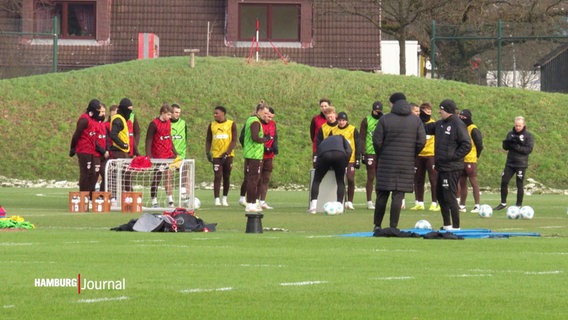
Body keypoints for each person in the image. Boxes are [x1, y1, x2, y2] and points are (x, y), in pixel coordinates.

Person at [372, 97, 425, 231]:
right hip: (406, 162)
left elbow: (377, 140)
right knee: (398, 194)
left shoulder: (385, 119)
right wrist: (412, 154)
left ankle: (377, 225)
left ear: (392, 103)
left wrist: (382, 153)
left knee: (382, 194)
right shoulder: (416, 120)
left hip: (386, 162)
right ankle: (393, 226)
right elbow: (422, 141)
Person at [424, 99, 472, 230]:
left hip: (452, 167)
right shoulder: (440, 124)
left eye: (441, 109)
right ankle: (447, 224)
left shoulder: (458, 124)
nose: (439, 112)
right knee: (440, 195)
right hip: (442, 167)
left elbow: (467, 144)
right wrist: (416, 119)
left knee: (449, 196)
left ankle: (456, 227)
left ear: (447, 110)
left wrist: (452, 156)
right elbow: (425, 128)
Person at [494, 116, 534, 210]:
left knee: (519, 184)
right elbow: (505, 147)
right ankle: (503, 203)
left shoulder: (528, 136)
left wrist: (517, 146)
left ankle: (518, 205)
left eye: (519, 126)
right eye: (516, 125)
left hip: (521, 164)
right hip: (510, 163)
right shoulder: (510, 134)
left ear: (524, 125)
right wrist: (507, 143)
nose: (517, 127)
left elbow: (528, 149)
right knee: (504, 181)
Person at [240, 102, 272, 212]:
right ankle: (251, 203)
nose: (266, 115)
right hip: (254, 155)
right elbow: (255, 138)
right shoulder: (255, 122)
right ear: (259, 111)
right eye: (265, 112)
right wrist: (265, 139)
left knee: (251, 179)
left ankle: (251, 203)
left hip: (250, 154)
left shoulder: (251, 119)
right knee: (253, 179)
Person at [308, 135, 352, 214]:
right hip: (340, 155)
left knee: (317, 180)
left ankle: (313, 207)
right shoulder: (342, 137)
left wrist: (318, 167)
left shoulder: (324, 141)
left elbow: (317, 154)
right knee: (340, 181)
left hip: (325, 155)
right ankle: (339, 207)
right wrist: (345, 164)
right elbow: (349, 150)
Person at [69, 99, 105, 195]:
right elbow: (76, 134)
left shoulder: (92, 120)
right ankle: (83, 195)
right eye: (98, 110)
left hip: (91, 150)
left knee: (93, 174)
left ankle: (90, 194)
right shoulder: (84, 120)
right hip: (83, 150)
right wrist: (73, 148)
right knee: (85, 172)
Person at [145, 104, 177, 208]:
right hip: (158, 156)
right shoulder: (154, 124)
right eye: (168, 114)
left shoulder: (168, 122)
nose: (170, 117)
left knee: (169, 176)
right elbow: (148, 140)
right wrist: (149, 156)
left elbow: (169, 137)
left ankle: (170, 200)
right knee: (157, 177)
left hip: (169, 154)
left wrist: (175, 152)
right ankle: (154, 200)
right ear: (162, 113)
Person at [205, 106, 237, 207]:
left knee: (226, 176)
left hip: (228, 155)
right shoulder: (212, 125)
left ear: (223, 113)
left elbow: (234, 141)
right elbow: (208, 139)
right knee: (217, 176)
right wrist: (207, 152)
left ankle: (224, 198)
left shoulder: (231, 124)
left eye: (216, 113)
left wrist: (227, 152)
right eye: (214, 113)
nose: (214, 115)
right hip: (217, 155)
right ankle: (216, 199)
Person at [410, 102, 439, 212]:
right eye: (427, 112)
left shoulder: (433, 124)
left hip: (430, 155)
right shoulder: (417, 124)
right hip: (419, 155)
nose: (429, 114)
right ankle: (419, 202)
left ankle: (434, 203)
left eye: (430, 112)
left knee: (433, 179)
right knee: (418, 179)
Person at [334, 111, 361, 210]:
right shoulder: (334, 130)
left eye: (343, 120)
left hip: (350, 159)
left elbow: (358, 144)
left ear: (346, 121)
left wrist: (357, 158)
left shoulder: (352, 129)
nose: (341, 122)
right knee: (340, 180)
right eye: (340, 120)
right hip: (338, 160)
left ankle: (350, 201)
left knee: (350, 179)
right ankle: (340, 201)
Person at [458, 109, 484, 213]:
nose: (461, 119)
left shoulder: (473, 129)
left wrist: (476, 156)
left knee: (473, 181)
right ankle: (462, 205)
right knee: (462, 182)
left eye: (463, 117)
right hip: (461, 159)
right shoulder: (461, 128)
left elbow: (479, 145)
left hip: (470, 159)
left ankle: (477, 205)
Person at [359, 101, 383, 210]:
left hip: (381, 152)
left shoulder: (384, 120)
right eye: (376, 111)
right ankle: (369, 201)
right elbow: (362, 137)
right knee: (371, 176)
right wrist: (363, 153)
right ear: (372, 110)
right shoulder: (366, 120)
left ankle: (380, 201)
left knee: (381, 177)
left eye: (379, 111)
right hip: (370, 152)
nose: (377, 113)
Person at [258, 107, 278, 210]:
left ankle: (262, 201)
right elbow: (255, 138)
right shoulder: (258, 124)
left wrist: (274, 148)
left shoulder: (273, 124)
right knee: (257, 178)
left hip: (269, 155)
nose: (269, 119)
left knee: (266, 178)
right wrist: (264, 147)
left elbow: (274, 136)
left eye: (271, 117)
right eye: (268, 116)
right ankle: (254, 201)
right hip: (259, 155)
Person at [170, 103, 190, 198]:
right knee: (168, 176)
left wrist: (182, 150)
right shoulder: (167, 123)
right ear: (171, 112)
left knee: (185, 171)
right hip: (169, 155)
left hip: (180, 154)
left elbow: (185, 137)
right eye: (176, 112)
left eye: (179, 112)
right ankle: (169, 198)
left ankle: (185, 194)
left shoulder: (183, 123)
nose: (178, 114)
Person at [310, 98, 331, 167]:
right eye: (322, 106)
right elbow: (312, 134)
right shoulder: (315, 119)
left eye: (325, 106)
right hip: (317, 148)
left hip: (331, 148)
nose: (323, 108)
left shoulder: (335, 118)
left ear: (329, 106)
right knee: (316, 168)